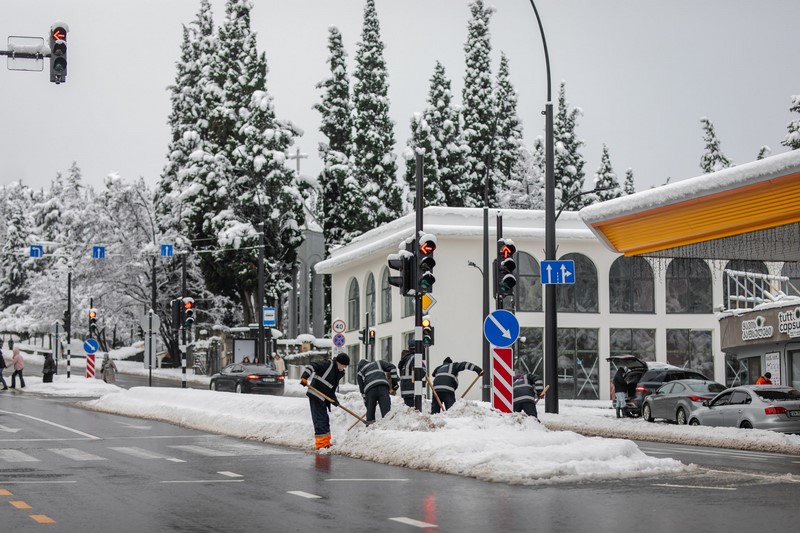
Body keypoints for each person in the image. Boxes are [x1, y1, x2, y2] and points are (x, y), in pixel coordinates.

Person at [299, 353, 350, 450]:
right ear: (340, 363)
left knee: (325, 420)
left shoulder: (338, 372)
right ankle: (321, 445)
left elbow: (331, 389)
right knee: (320, 420)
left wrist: (334, 400)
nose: (345, 367)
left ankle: (326, 442)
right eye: (345, 365)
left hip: (323, 398)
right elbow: (312, 366)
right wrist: (304, 377)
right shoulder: (328, 364)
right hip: (315, 395)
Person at [356, 358, 399, 424]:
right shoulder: (378, 363)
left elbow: (362, 392)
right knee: (387, 414)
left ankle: (370, 426)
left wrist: (368, 404)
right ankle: (388, 426)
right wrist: (394, 383)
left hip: (370, 391)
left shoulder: (359, 373)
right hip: (383, 387)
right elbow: (392, 368)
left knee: (370, 416)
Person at [398, 338, 424, 408]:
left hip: (405, 389)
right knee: (413, 410)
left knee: (409, 410)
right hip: (412, 389)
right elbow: (421, 372)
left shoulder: (405, 358)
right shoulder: (415, 358)